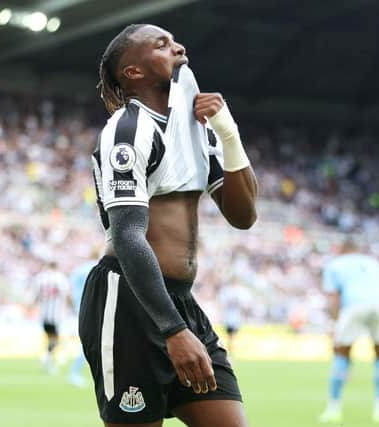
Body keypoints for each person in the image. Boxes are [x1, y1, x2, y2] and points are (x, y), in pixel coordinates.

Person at [79, 24, 258, 427]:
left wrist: (229, 136)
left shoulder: (195, 128)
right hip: (128, 302)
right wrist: (173, 330)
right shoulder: (127, 131)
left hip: (179, 303)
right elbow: (127, 235)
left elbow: (243, 216)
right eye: (161, 44)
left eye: (173, 40)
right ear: (134, 72)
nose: (178, 46)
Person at [318, 240, 379, 425]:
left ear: (342, 249)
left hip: (354, 305)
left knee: (341, 354)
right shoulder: (373, 263)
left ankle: (333, 410)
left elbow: (334, 298)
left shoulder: (335, 264)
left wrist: (333, 324)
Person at [66, 247, 101, 388]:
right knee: (91, 343)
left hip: (79, 309)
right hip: (92, 309)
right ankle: (74, 373)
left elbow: (69, 292)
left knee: (90, 342)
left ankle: (76, 372)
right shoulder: (96, 268)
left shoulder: (78, 270)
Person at [33, 260, 70, 375]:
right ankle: (48, 358)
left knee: (51, 338)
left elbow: (35, 296)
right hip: (56, 314)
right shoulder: (60, 278)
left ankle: (48, 358)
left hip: (44, 314)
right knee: (55, 338)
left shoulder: (40, 278)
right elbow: (67, 295)